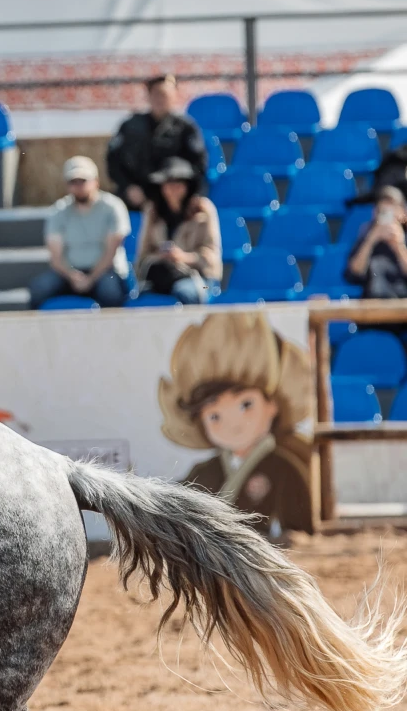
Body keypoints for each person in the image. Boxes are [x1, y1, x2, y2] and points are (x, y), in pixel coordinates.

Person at [158, 312, 314, 539]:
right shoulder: (203, 473)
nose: (232, 423)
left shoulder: (285, 469)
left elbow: (300, 535)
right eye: (214, 416)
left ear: (272, 405)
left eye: (246, 405)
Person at [27, 156, 131, 308]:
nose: (78, 186)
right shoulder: (58, 211)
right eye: (73, 182)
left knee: (111, 295)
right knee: (38, 290)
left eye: (83, 180)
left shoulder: (112, 207)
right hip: (69, 274)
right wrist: (72, 276)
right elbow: (55, 256)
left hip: (105, 271)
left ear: (96, 181)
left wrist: (91, 278)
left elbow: (111, 252)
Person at [106, 73, 209, 210]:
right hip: (136, 195)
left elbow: (198, 164)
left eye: (165, 94)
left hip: (174, 199)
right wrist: (128, 187)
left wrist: (176, 190)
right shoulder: (130, 126)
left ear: (174, 96)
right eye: (156, 94)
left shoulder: (186, 128)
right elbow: (113, 161)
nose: (160, 99)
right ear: (148, 96)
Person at [134, 156, 222, 304]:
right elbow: (143, 256)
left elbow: (212, 257)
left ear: (188, 185)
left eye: (178, 182)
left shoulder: (204, 210)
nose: (173, 188)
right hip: (162, 276)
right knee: (141, 299)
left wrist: (182, 257)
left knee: (185, 293)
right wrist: (162, 257)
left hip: (199, 278)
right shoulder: (152, 211)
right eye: (168, 183)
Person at [344, 185, 407, 300]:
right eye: (383, 212)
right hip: (372, 305)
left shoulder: (403, 240)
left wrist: (399, 246)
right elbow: (354, 273)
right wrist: (371, 239)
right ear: (375, 213)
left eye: (392, 212)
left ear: (403, 213)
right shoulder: (366, 237)